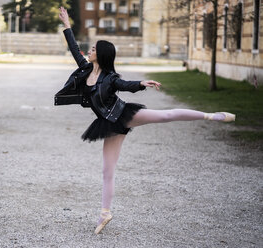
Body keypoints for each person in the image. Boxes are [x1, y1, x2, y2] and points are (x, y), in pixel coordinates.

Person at [55, 7, 235, 235]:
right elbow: (73, 49)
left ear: (102, 54)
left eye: (93, 49)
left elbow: (125, 85)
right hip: (109, 124)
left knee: (166, 115)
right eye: (90, 49)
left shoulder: (110, 78)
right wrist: (67, 24)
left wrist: (141, 83)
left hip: (125, 115)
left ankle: (210, 115)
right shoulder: (85, 69)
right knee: (107, 170)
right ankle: (105, 213)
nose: (89, 51)